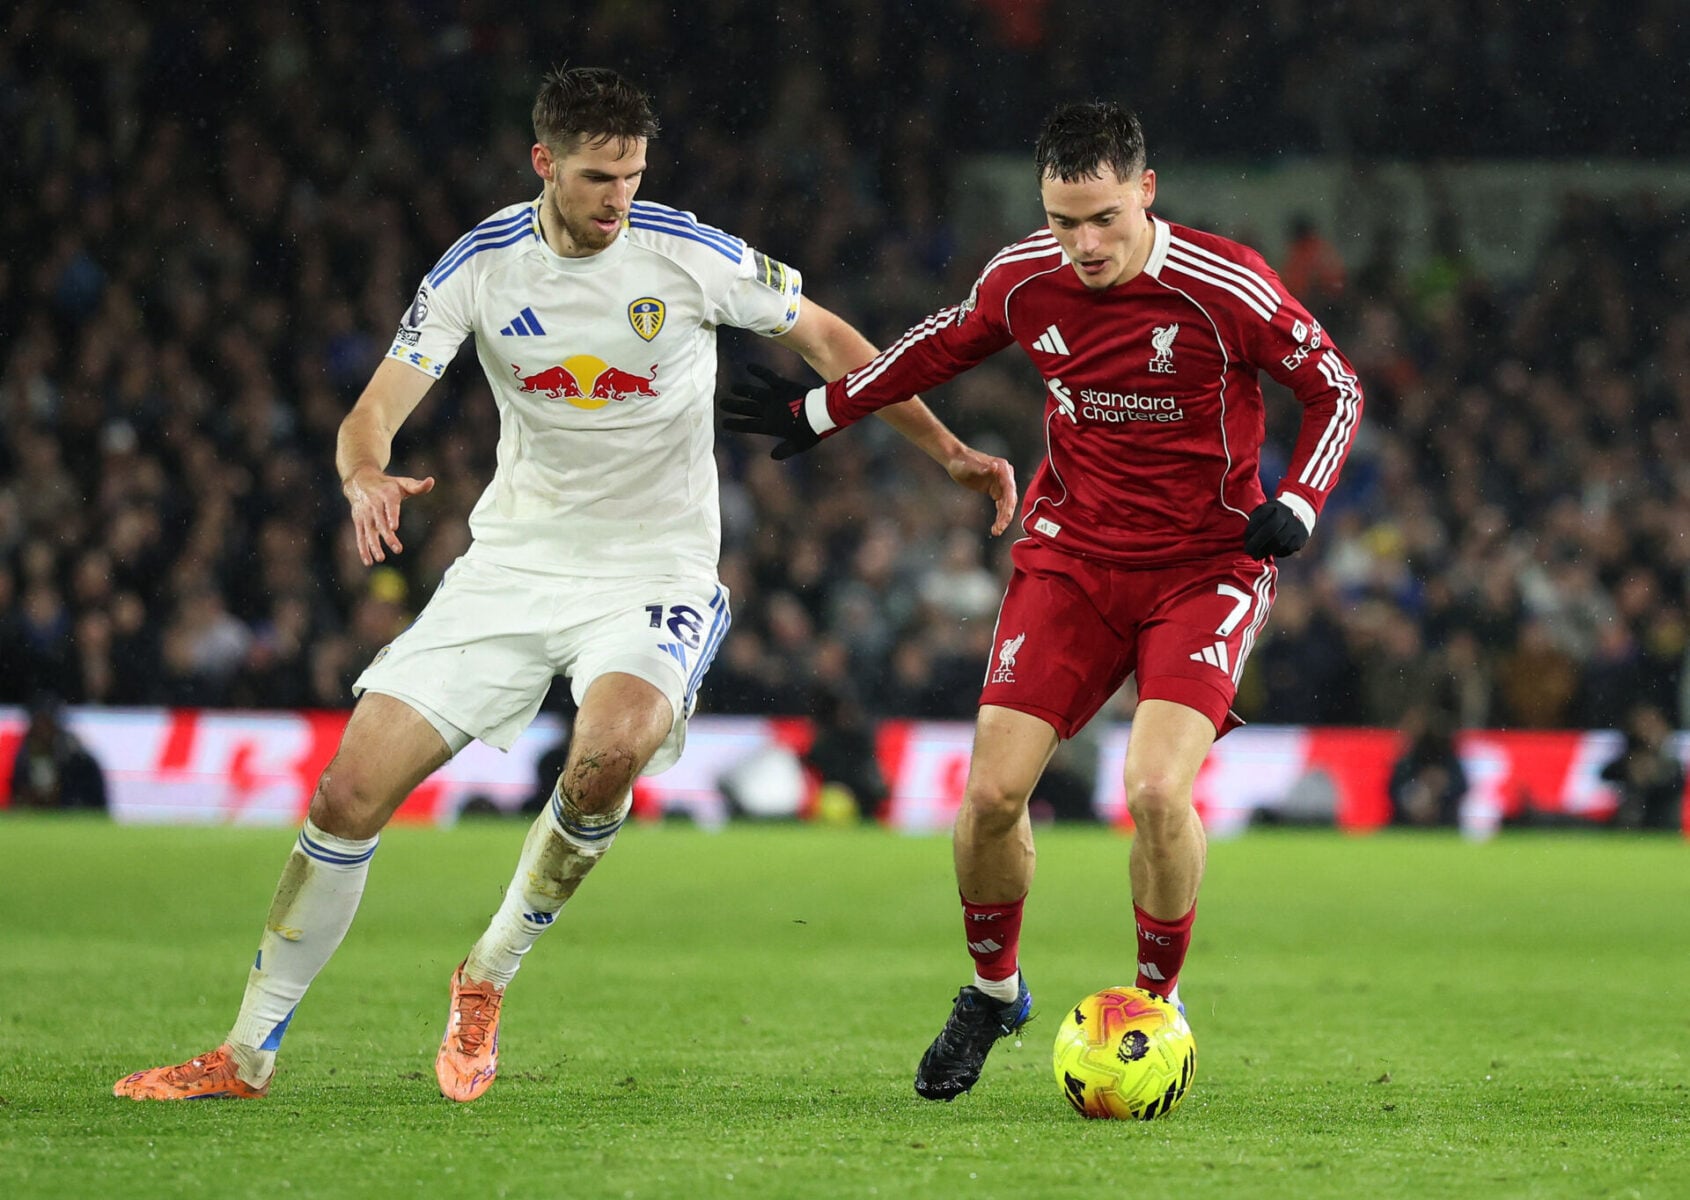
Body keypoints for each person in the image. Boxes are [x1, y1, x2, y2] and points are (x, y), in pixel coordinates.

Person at [114, 66, 1014, 1105]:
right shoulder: (481, 265)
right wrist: (363, 473)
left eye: (632, 175)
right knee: (347, 793)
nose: (617, 198)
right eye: (596, 177)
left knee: (610, 753)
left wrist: (947, 451)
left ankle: (486, 975)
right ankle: (244, 1055)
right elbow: (375, 409)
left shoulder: (687, 253)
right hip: (510, 565)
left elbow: (828, 338)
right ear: (543, 162)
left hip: (654, 570)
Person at [727, 101, 1363, 1101]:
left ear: (1145, 191)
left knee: (1155, 792)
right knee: (988, 798)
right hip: (1071, 561)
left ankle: (1157, 1006)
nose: (1084, 244)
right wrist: (819, 409)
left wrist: (1301, 501)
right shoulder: (1025, 277)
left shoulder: (1223, 284)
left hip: (1205, 569)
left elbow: (1335, 386)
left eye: (1103, 218)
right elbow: (936, 346)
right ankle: (994, 993)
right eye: (1063, 221)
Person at [8, 695, 108, 812]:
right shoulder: (23, 757)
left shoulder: (75, 758)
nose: (43, 731)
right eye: (39, 724)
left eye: (47, 724)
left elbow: (88, 799)